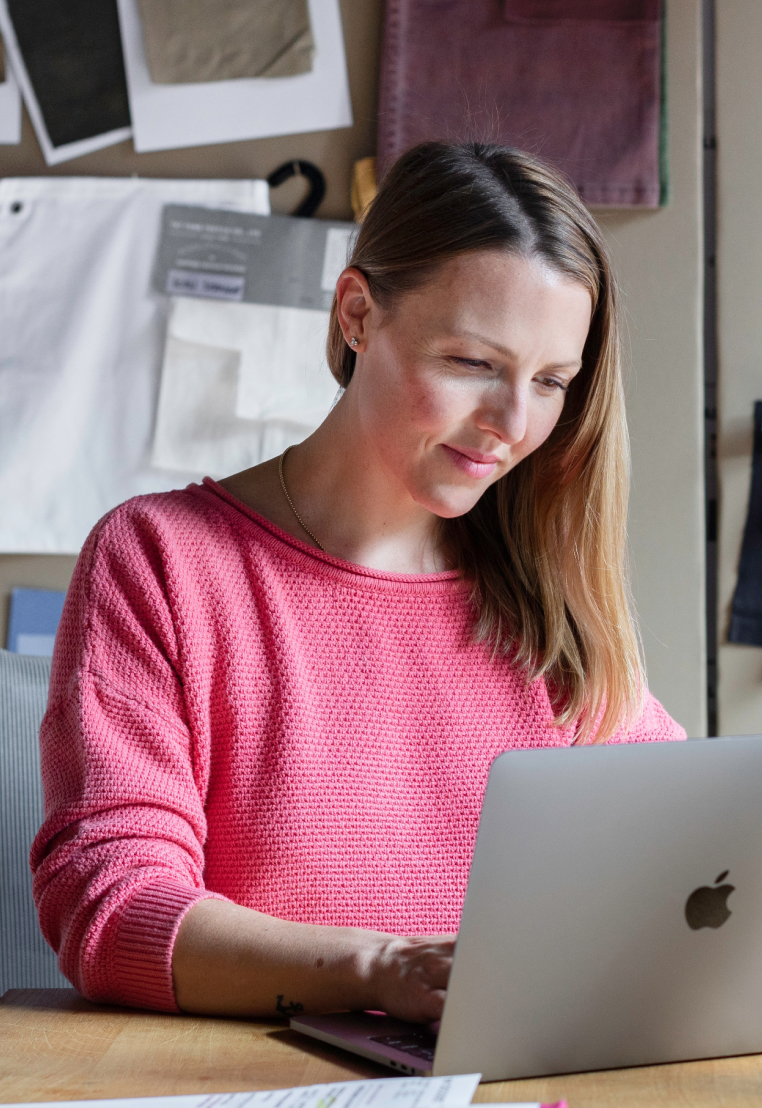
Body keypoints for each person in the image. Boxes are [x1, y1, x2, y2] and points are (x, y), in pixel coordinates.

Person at [32, 141, 685, 1024]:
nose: (511, 425)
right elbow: (109, 913)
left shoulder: (544, 600)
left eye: (551, 382)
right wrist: (382, 970)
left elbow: (694, 853)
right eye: (473, 364)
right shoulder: (162, 559)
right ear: (356, 314)